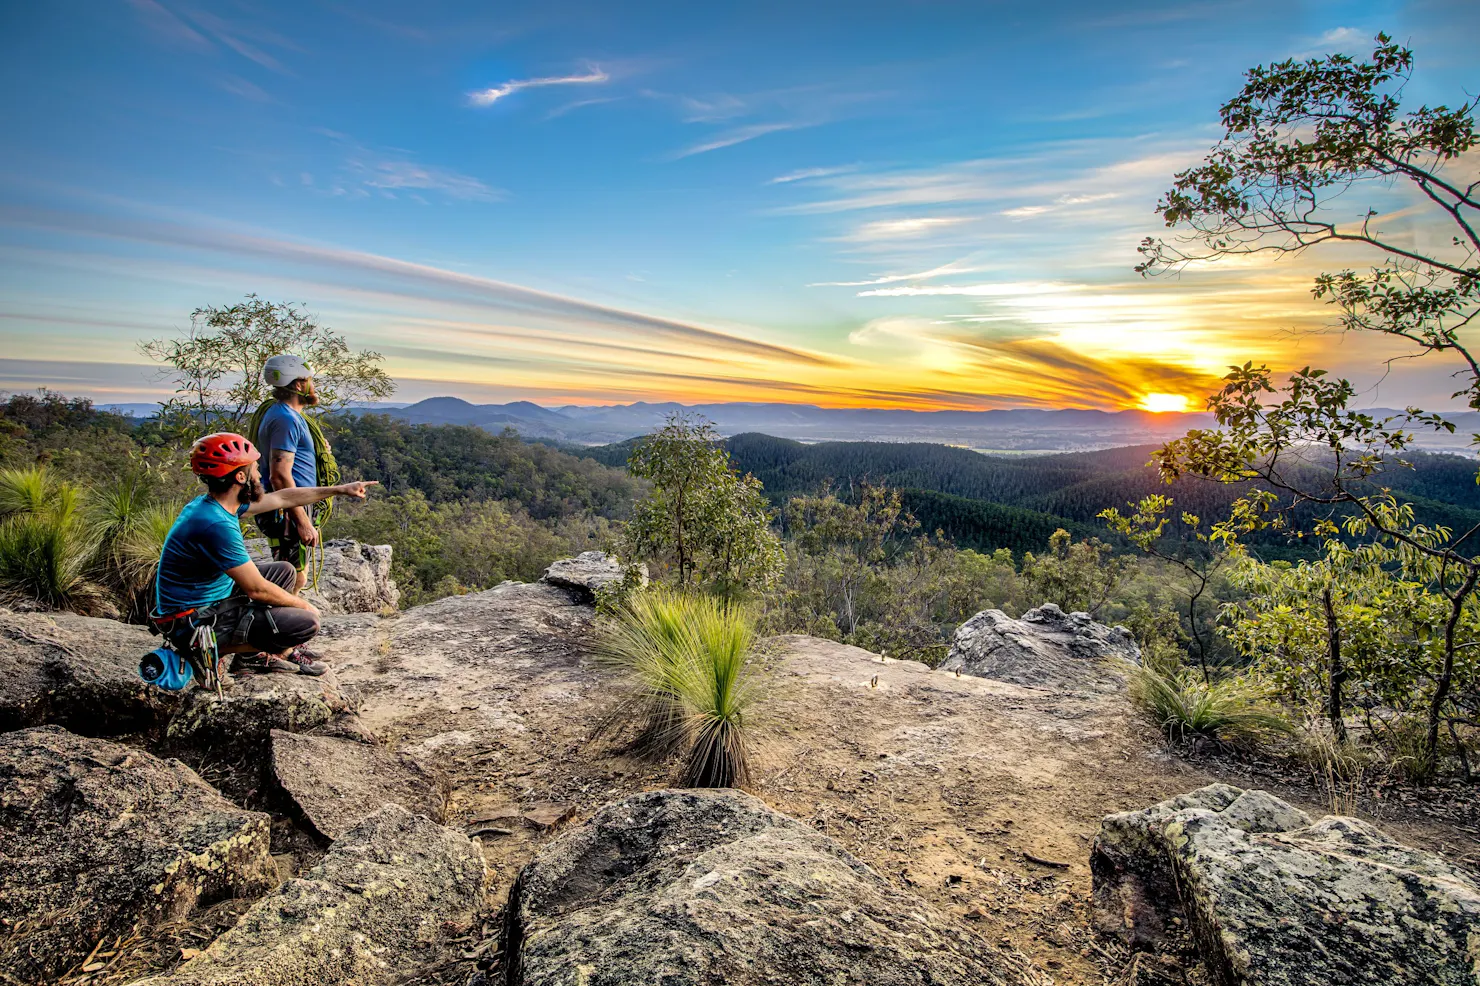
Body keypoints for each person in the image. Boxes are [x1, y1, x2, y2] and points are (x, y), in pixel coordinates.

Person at [153, 432, 377, 676]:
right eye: (255, 468)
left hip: (206, 601)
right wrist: (304, 605)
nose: (260, 474)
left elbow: (282, 497)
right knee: (305, 623)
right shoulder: (215, 524)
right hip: (192, 622)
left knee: (284, 571)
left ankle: (250, 657)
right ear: (240, 477)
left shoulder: (217, 505)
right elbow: (257, 590)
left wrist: (340, 489)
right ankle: (207, 652)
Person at [255, 353, 321, 592]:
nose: (313, 385)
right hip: (288, 508)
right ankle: (280, 615)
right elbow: (279, 475)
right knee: (293, 576)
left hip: (292, 503)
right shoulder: (286, 419)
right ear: (299, 384)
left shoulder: (288, 415)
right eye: (310, 380)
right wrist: (301, 520)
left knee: (296, 572)